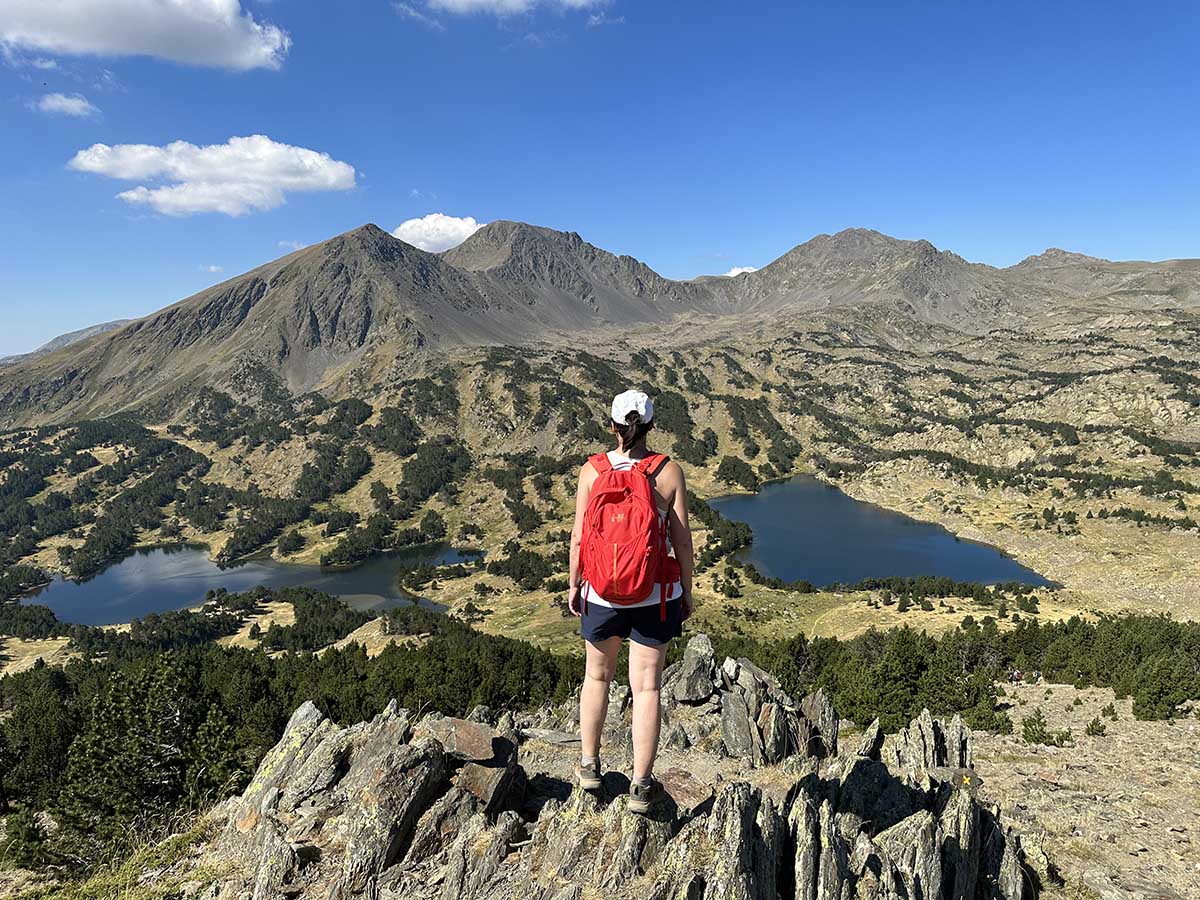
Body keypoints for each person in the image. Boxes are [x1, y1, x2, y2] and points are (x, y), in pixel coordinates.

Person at [567, 389, 694, 813]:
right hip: (654, 595)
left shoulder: (592, 471)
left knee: (597, 678)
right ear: (650, 427)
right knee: (646, 687)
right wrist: (686, 594)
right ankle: (641, 786)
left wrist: (574, 586)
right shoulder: (667, 471)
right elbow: (682, 543)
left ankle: (589, 769)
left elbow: (581, 538)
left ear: (612, 426)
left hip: (601, 593)